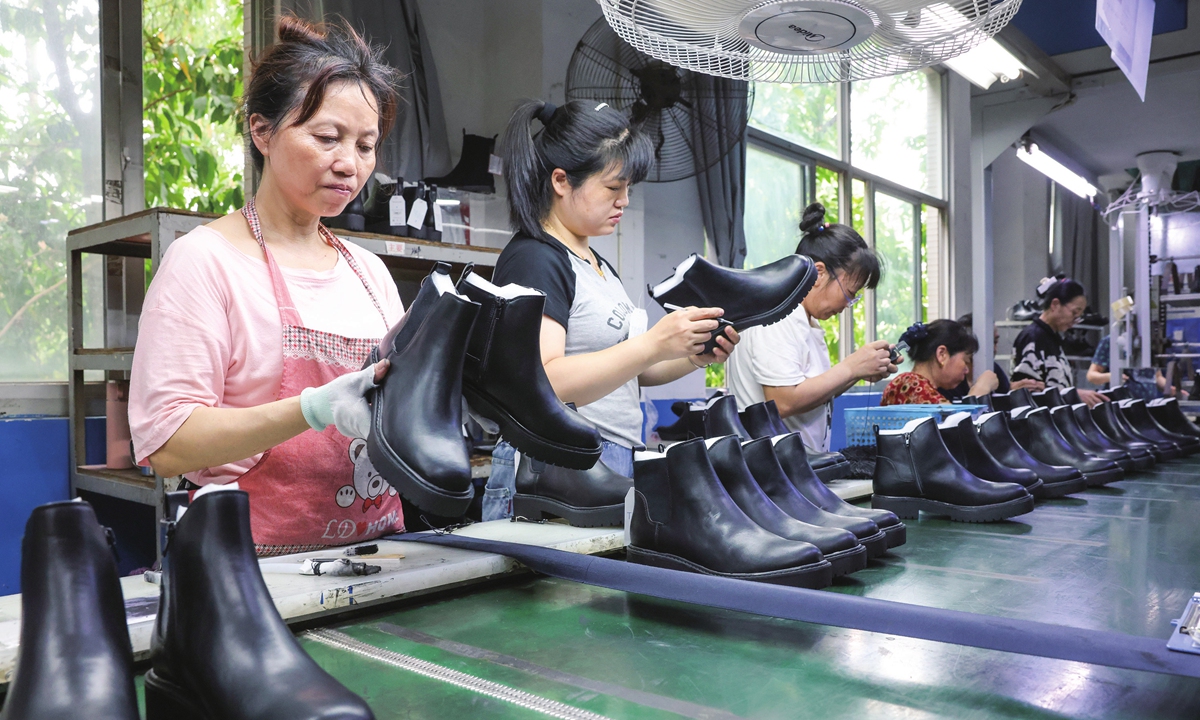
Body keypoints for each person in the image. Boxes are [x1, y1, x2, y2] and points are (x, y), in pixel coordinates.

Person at [129, 18, 408, 555]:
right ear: (262, 132)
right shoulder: (205, 262)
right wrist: (309, 409)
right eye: (327, 138)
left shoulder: (368, 272)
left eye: (366, 145)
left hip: (377, 556)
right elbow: (166, 445)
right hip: (250, 570)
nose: (350, 164)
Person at [481, 99, 739, 520]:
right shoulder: (535, 259)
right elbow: (545, 379)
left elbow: (633, 373)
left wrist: (692, 356)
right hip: (555, 471)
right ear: (561, 181)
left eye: (628, 189)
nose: (624, 201)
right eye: (612, 188)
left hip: (611, 459)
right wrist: (653, 342)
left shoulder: (598, 265)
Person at [726, 203, 895, 453]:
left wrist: (859, 371)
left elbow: (813, 392)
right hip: (770, 469)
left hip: (797, 464)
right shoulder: (775, 318)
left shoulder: (806, 319)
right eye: (849, 294)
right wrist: (851, 367)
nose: (848, 304)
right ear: (818, 273)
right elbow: (783, 402)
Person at [1011, 275, 1106, 407]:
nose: (1075, 320)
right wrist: (1074, 395)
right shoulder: (1033, 338)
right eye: (1074, 313)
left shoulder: (1051, 337)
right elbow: (1030, 392)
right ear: (1055, 304)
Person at [881, 320, 995, 405]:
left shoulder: (912, 384)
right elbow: (955, 425)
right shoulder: (910, 384)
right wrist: (979, 392)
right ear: (942, 354)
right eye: (966, 361)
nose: (967, 370)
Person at [940, 313, 1043, 401]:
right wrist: (981, 389)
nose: (993, 349)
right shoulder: (947, 382)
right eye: (990, 343)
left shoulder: (994, 369)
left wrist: (1013, 391)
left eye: (995, 342)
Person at [1087, 335, 1185, 398]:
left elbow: (1156, 376)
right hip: (1123, 408)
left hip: (1148, 409)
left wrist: (1170, 389)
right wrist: (1113, 376)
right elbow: (1091, 376)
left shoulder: (1150, 343)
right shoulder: (1111, 342)